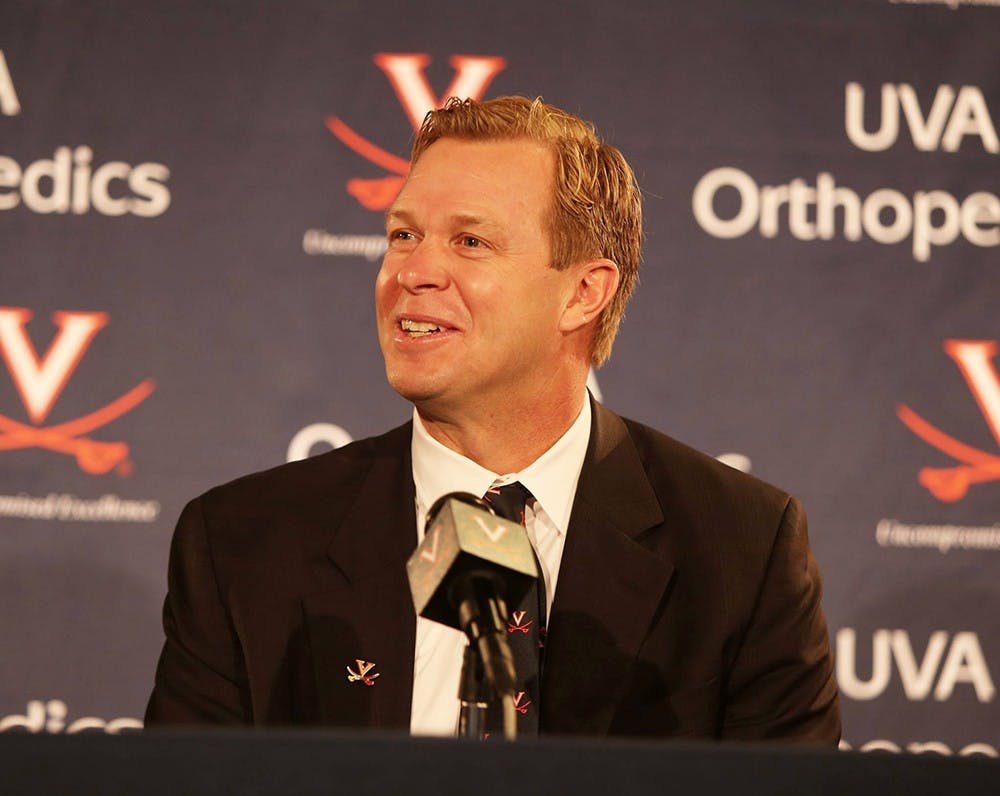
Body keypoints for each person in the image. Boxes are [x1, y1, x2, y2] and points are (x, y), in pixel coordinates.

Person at [145, 96, 840, 742]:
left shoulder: (740, 552)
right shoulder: (242, 545)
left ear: (582, 293)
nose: (412, 272)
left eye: (469, 242)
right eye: (403, 235)